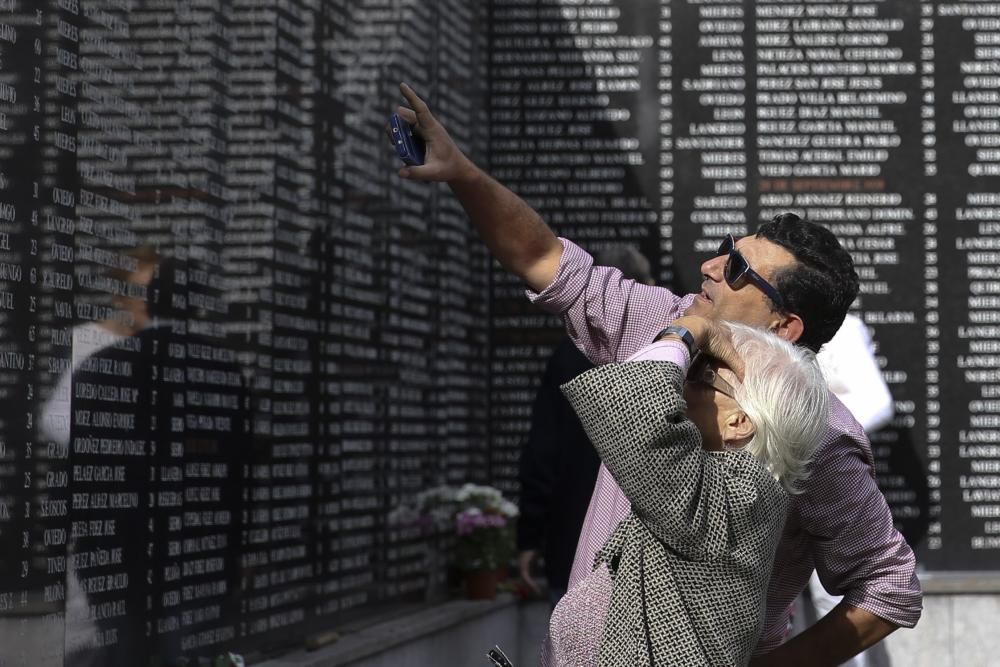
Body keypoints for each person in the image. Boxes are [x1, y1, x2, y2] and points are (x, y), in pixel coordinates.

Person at [389, 83, 921, 664]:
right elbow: (547, 261)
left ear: (785, 325)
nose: (711, 264)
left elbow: (889, 585)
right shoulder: (676, 318)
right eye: (725, 247)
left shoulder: (817, 435)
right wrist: (463, 174)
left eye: (737, 267)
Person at [546, 317, 828, 665]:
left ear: (738, 422)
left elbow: (630, 394)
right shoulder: (729, 488)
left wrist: (691, 329)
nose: (682, 376)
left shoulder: (737, 496)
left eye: (701, 374)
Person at [517, 246, 655, 607]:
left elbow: (542, 450)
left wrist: (530, 537)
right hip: (647, 556)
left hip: (572, 544)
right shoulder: (667, 356)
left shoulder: (567, 357)